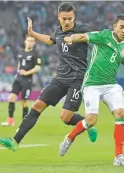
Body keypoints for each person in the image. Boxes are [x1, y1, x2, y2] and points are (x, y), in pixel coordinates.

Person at [0, 2, 97, 151]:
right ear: (58, 17)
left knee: (65, 117)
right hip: (60, 78)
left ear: (74, 17)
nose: (67, 22)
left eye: (70, 18)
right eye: (64, 18)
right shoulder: (58, 31)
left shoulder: (82, 31)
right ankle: (14, 141)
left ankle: (86, 123)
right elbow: (50, 40)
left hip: (77, 79)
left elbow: (99, 39)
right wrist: (33, 33)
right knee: (38, 105)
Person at [58, 14, 124, 166]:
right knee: (91, 121)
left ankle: (119, 157)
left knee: (120, 113)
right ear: (115, 26)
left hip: (110, 85)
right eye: (121, 27)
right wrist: (72, 38)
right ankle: (70, 137)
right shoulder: (104, 36)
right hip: (92, 85)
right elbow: (84, 37)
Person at [1, 35, 41, 126]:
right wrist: (18, 73)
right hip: (18, 79)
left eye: (32, 41)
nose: (30, 42)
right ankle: (10, 120)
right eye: (29, 40)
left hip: (27, 80)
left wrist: (26, 73)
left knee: (24, 102)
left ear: (34, 43)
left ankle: (24, 123)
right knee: (11, 97)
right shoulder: (21, 52)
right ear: (25, 41)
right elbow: (19, 65)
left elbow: (38, 68)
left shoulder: (35, 54)